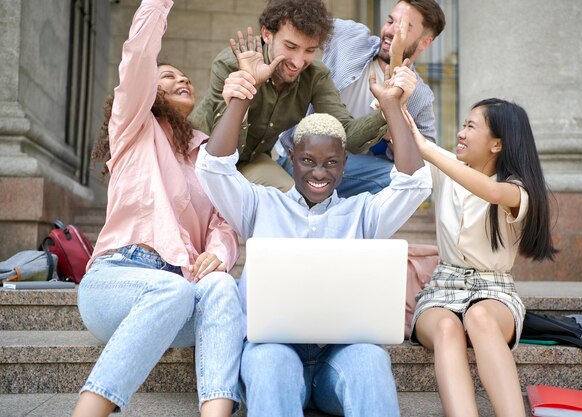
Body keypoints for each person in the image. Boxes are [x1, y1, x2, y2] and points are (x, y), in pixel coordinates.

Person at [194, 30, 432, 417]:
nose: (319, 173)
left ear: (344, 165)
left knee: (371, 361)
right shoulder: (259, 204)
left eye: (331, 163)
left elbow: (415, 183)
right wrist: (242, 96)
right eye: (307, 161)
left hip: (340, 356)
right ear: (291, 154)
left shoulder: (362, 214)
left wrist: (391, 107)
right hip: (275, 350)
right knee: (270, 363)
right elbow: (213, 167)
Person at [71, 1, 242, 416]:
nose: (182, 78)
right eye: (169, 76)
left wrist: (218, 254)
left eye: (185, 76)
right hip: (117, 281)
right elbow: (139, 55)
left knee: (222, 287)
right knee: (171, 288)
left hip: (178, 295)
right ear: (151, 89)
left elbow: (224, 221)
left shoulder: (206, 154)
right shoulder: (133, 128)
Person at [408, 98, 558, 417]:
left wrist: (428, 149)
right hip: (441, 288)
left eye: (471, 126)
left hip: (495, 292)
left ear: (497, 144)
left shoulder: (518, 192)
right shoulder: (444, 167)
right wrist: (394, 89)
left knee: (480, 318)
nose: (461, 133)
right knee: (447, 329)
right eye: (463, 125)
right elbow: (404, 136)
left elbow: (490, 193)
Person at [190, 0, 417, 192]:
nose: (298, 62)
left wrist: (389, 105)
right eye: (290, 46)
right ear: (267, 34)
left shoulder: (314, 76)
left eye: (310, 51)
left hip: (254, 160)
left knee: (291, 198)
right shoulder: (231, 63)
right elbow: (222, 155)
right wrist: (246, 92)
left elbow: (349, 136)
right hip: (199, 156)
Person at [278, 0, 446, 197]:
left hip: (351, 170)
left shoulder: (420, 96)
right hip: (297, 157)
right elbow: (303, 22)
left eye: (402, 27)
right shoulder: (351, 36)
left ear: (425, 42)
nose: (391, 31)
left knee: (411, 179)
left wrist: (393, 129)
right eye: (390, 21)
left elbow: (424, 157)